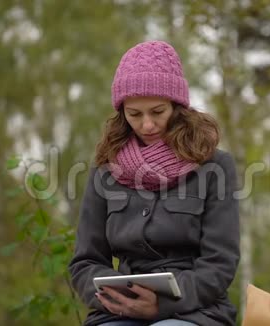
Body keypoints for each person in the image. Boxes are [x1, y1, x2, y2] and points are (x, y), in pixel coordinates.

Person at [68, 40, 240, 326]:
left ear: (177, 106)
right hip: (118, 311)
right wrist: (117, 293)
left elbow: (219, 264)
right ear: (122, 112)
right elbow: (85, 262)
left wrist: (162, 304)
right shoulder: (104, 170)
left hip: (195, 312)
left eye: (157, 112)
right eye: (134, 114)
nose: (147, 125)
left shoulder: (215, 167)